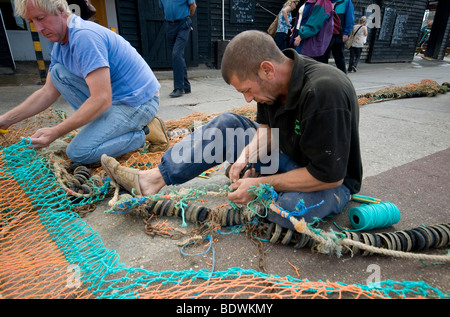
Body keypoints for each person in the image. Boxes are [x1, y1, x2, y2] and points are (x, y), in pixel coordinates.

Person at [102, 30, 362, 230]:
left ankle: (269, 189)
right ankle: (151, 180)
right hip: (290, 160)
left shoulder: (324, 92)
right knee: (227, 124)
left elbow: (329, 176)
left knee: (284, 210)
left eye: (248, 90)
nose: (248, 99)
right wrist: (245, 157)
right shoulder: (275, 84)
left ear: (267, 70)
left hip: (328, 181)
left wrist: (260, 182)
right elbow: (267, 128)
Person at [0, 0, 163, 165]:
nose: (39, 28)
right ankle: (109, 127)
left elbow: (102, 98)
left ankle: (144, 133)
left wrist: (55, 132)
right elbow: (47, 93)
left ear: (61, 10)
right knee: (58, 73)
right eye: (31, 22)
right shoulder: (59, 43)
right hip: (114, 100)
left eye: (41, 18)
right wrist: (5, 120)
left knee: (78, 153)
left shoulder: (84, 36)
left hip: (139, 103)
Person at [159, 0, 197, 98]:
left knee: (176, 54)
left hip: (183, 24)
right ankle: (186, 86)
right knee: (178, 56)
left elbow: (193, 6)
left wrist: (188, 20)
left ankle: (178, 88)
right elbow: (163, 8)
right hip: (169, 25)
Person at [324, 0, 354, 73]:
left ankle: (343, 76)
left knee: (338, 56)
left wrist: (346, 33)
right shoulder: (325, 1)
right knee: (324, 56)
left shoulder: (346, 2)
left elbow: (350, 17)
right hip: (325, 34)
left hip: (339, 34)